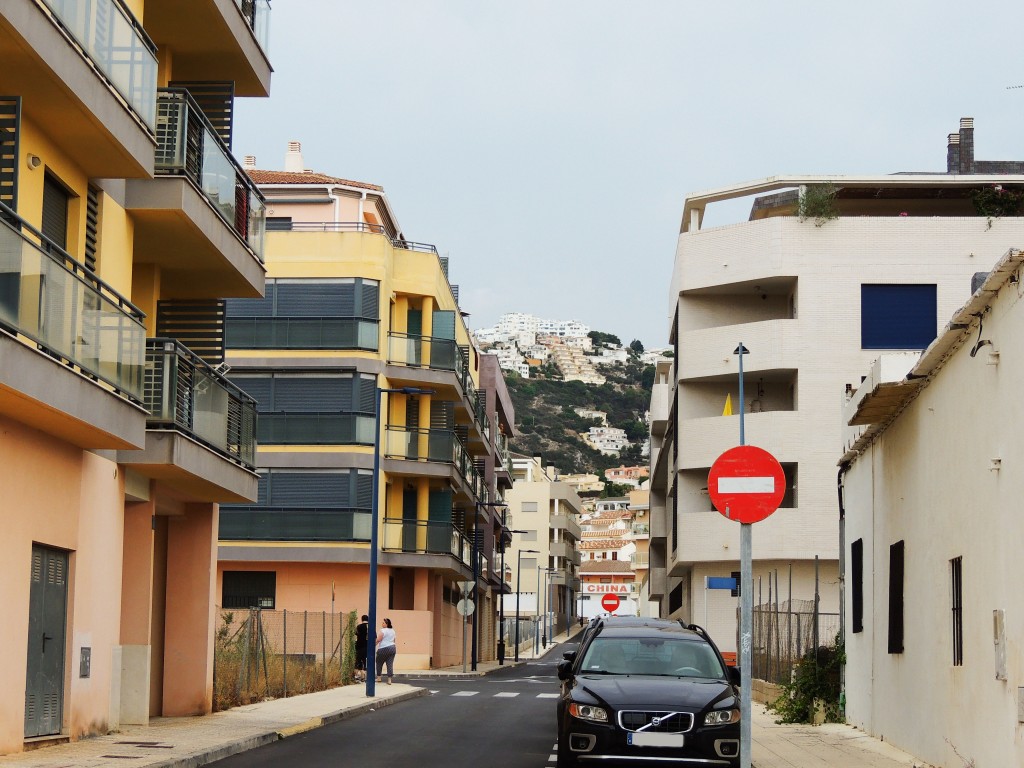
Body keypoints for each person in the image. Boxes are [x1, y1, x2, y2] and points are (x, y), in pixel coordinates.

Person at [375, 617, 397, 685]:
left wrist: (374, 644)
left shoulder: (382, 630)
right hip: (392, 648)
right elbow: (394, 640)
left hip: (383, 648)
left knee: (379, 662)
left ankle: (379, 678)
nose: (382, 623)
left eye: (383, 623)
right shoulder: (393, 631)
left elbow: (378, 640)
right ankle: (389, 680)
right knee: (390, 664)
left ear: (387, 624)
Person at [354, 614, 369, 682]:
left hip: (359, 646)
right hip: (367, 647)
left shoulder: (359, 627)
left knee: (358, 661)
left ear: (362, 619)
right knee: (364, 661)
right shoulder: (370, 627)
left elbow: (356, 634)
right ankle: (363, 676)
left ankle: (356, 676)